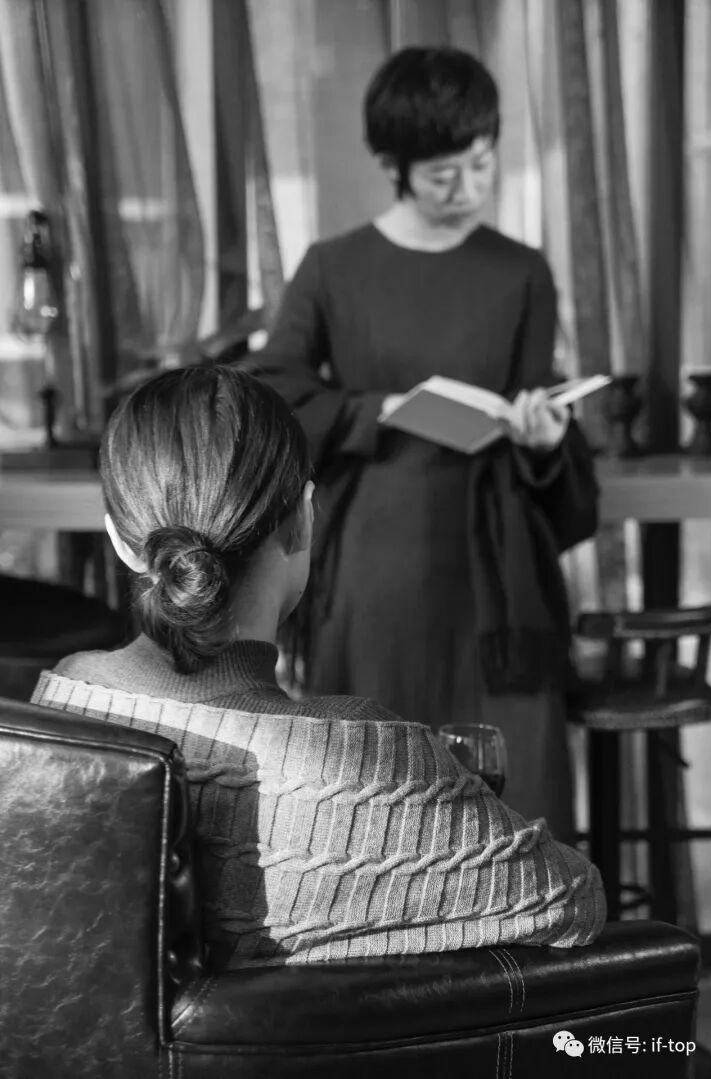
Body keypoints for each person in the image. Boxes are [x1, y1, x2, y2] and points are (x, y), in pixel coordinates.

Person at [32, 365, 605, 970]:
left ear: (119, 541)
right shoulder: (368, 764)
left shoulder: (64, 706)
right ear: (305, 518)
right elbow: (573, 898)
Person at [248, 46, 599, 843]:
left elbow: (537, 418)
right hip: (376, 565)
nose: (469, 188)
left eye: (483, 164)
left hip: (495, 572)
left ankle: (532, 921)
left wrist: (544, 439)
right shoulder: (333, 268)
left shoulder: (521, 272)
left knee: (518, 800)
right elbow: (274, 393)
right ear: (391, 166)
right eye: (444, 174)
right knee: (376, 791)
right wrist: (381, 410)